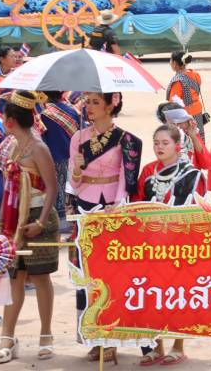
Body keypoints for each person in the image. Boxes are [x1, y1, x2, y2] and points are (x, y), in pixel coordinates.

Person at [69, 92, 141, 364]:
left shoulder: (124, 138)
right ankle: (91, 336)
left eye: (95, 102)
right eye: (87, 102)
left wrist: (119, 204)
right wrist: (76, 171)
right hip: (86, 206)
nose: (88, 107)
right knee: (86, 275)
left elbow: (126, 175)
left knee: (112, 277)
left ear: (111, 105)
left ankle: (111, 338)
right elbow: (74, 184)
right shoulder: (78, 138)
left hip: (112, 208)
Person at [0, 91, 58, 363]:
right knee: (15, 277)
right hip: (13, 220)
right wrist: (0, 224)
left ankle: (46, 335)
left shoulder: (38, 148)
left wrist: (40, 222)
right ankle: (8, 337)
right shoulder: (12, 146)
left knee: (41, 278)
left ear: (9, 120)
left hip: (37, 217)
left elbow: (52, 189)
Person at [37, 91, 79, 226]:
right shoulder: (72, 110)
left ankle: (58, 221)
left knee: (54, 190)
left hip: (52, 157)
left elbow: (41, 138)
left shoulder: (43, 115)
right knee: (69, 189)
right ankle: (68, 220)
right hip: (70, 156)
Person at [138, 125, 205, 206]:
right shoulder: (148, 169)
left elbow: (197, 210)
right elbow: (137, 201)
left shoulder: (191, 175)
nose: (159, 147)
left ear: (177, 145)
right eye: (156, 143)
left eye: (165, 143)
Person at [166, 51, 207, 140]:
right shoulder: (195, 74)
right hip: (197, 112)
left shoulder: (178, 81)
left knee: (187, 141)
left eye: (170, 61)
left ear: (174, 63)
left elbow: (173, 103)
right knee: (198, 138)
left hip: (185, 116)